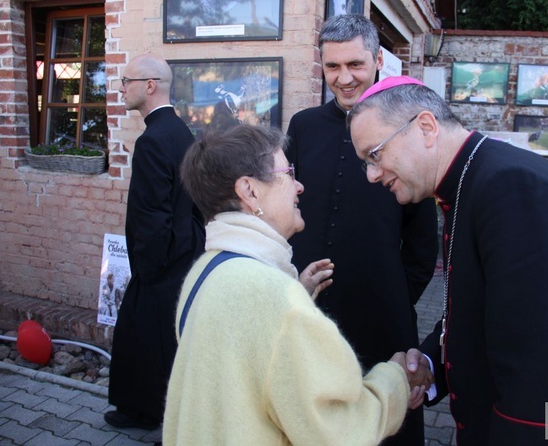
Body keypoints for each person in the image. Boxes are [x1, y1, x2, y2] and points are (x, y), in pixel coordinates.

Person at [348, 75, 548, 444]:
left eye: (374, 155)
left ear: (425, 127)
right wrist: (428, 364)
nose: (372, 175)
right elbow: (484, 309)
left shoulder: (513, 189)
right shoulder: (473, 180)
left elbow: (540, 371)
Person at [162, 124, 433, 445]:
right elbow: (340, 431)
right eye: (288, 173)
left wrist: (292, 292)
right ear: (249, 191)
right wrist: (396, 379)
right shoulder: (277, 301)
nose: (300, 186)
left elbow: (242, 372)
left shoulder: (206, 271)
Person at [286, 14, 439, 445]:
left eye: (355, 64)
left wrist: (394, 293)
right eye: (333, 66)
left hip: (382, 311)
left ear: (376, 61)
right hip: (311, 306)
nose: (344, 77)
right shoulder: (304, 126)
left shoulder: (407, 126)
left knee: (386, 423)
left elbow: (424, 241)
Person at [105, 53, 206, 430]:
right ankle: (145, 410)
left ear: (149, 86)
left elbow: (150, 215)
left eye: (126, 82)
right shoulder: (181, 131)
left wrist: (148, 267)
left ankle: (165, 418)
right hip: (186, 250)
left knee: (154, 336)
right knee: (155, 334)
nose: (120, 90)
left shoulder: (152, 141)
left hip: (162, 258)